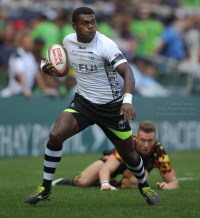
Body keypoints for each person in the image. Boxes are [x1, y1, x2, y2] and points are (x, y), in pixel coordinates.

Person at [24, 7, 160, 206]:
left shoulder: (106, 44)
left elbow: (128, 73)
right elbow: (55, 64)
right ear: (74, 26)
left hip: (112, 108)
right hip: (83, 103)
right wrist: (46, 66)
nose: (90, 26)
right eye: (85, 23)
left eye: (93, 22)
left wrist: (127, 101)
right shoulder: (68, 41)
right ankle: (45, 188)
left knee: (129, 155)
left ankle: (144, 185)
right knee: (55, 136)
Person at [52, 121, 179, 191]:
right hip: (116, 163)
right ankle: (70, 181)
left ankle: (118, 183)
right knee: (82, 181)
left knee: (136, 182)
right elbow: (106, 168)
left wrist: (168, 186)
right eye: (142, 140)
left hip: (134, 170)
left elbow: (174, 182)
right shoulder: (128, 144)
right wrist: (105, 183)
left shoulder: (159, 151)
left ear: (155, 139)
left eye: (150, 141)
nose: (146, 145)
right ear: (136, 137)